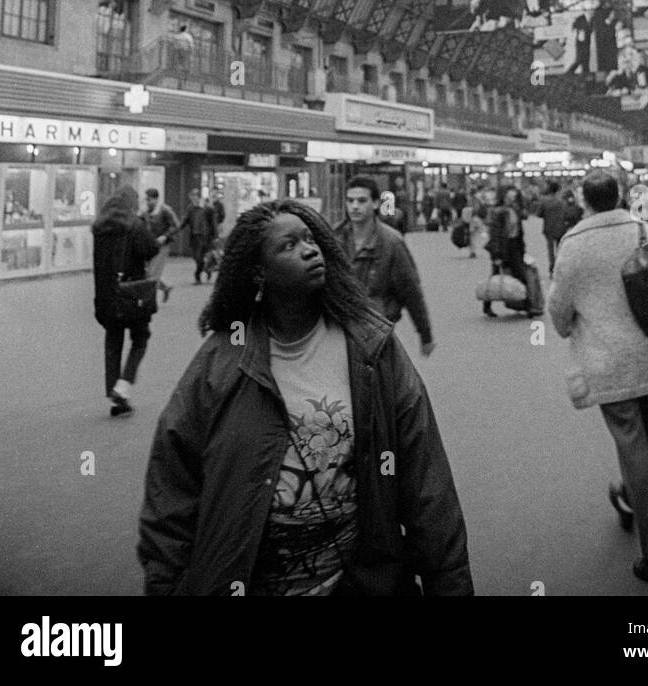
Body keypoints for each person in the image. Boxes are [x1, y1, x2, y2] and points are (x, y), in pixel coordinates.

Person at [137, 200, 472, 596]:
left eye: (311, 239)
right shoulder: (222, 359)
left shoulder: (371, 347)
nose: (309, 249)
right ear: (258, 270)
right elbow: (172, 485)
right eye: (289, 245)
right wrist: (168, 586)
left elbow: (426, 483)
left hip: (359, 582)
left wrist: (449, 584)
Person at [548, 169, 648, 591]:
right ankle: (628, 489)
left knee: (632, 447)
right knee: (639, 435)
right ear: (619, 195)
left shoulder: (573, 245)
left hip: (609, 365)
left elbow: (558, 317)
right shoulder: (645, 231)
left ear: (584, 199)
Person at [334, 176, 435, 358]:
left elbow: (410, 290)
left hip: (377, 335)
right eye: (350, 201)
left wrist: (425, 334)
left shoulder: (391, 243)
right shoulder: (335, 239)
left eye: (361, 200)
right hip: (339, 332)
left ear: (374, 203)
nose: (354, 206)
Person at [92, 186, 161, 416]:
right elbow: (151, 249)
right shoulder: (135, 225)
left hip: (106, 295)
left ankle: (115, 397)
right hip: (132, 294)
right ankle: (123, 386)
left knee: (113, 339)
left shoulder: (99, 228)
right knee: (141, 338)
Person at [141, 187, 180, 303]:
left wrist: (165, 236)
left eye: (149, 200)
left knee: (153, 273)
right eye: (146, 199)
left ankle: (148, 300)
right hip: (150, 245)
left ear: (156, 199)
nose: (148, 202)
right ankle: (165, 287)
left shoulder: (165, 210)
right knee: (147, 272)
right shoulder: (146, 212)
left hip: (162, 246)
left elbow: (176, 225)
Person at [179, 188, 218, 283]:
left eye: (195, 196)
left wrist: (215, 236)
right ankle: (206, 269)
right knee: (197, 258)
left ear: (199, 197)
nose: (193, 198)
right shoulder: (190, 208)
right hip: (195, 237)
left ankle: (197, 276)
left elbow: (213, 223)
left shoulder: (208, 208)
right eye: (191, 196)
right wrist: (177, 228)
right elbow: (185, 220)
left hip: (205, 237)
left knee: (201, 258)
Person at [534, 180, 567, 277]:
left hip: (548, 228)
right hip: (561, 227)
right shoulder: (561, 201)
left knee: (550, 249)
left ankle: (552, 268)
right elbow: (566, 213)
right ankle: (560, 266)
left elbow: (538, 214)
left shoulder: (544, 201)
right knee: (560, 248)